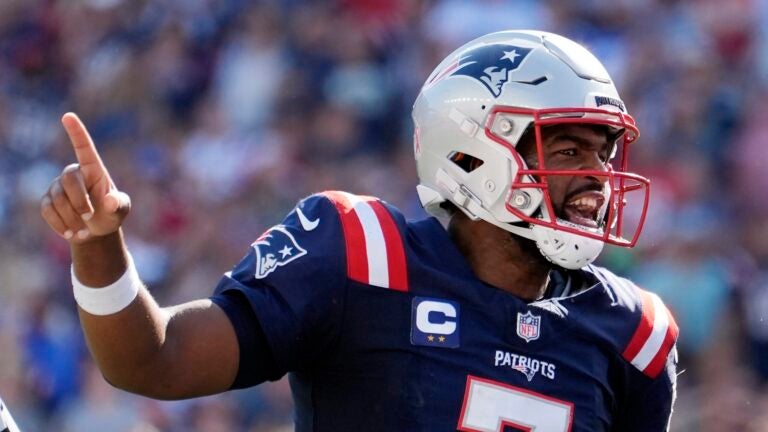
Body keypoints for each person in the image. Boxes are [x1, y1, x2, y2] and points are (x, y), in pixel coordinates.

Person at [40, 30, 678, 431]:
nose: (598, 177)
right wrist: (99, 247)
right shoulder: (361, 255)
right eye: (565, 153)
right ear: (473, 156)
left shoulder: (632, 333)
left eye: (604, 153)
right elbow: (156, 361)